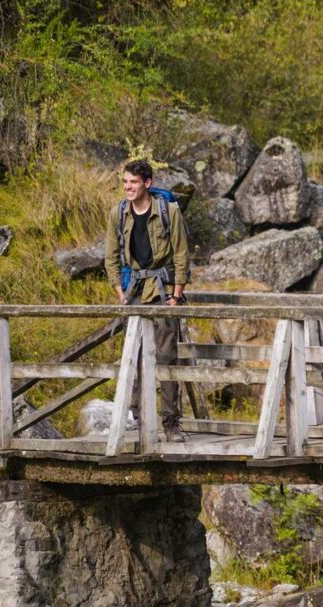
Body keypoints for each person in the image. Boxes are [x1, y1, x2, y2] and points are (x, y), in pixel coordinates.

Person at [104, 159, 190, 443]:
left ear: (147, 183)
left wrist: (176, 296)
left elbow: (181, 254)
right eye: (125, 182)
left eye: (134, 182)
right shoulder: (118, 213)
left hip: (164, 291)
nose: (128, 187)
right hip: (135, 291)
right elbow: (111, 256)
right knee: (136, 355)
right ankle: (140, 419)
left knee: (166, 357)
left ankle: (171, 423)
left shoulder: (169, 211)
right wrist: (120, 292)